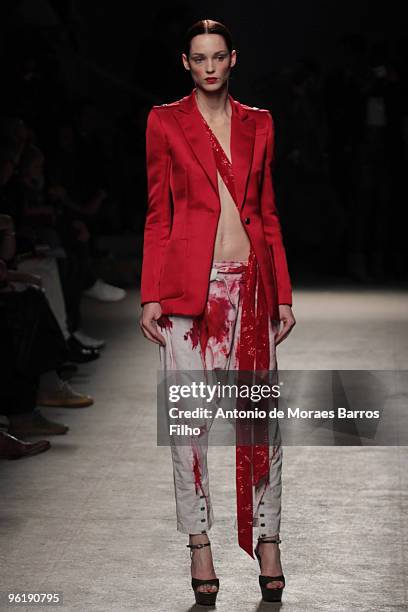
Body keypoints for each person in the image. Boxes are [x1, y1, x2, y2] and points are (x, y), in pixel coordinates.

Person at [139, 19, 296, 606]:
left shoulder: (260, 123)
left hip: (252, 290)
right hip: (190, 295)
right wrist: (151, 293)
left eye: (219, 57)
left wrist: (283, 293)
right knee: (189, 427)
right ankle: (199, 542)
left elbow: (267, 212)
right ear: (186, 62)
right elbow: (159, 213)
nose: (209, 67)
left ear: (234, 60)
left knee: (263, 425)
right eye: (199, 58)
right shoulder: (164, 121)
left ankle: (270, 538)